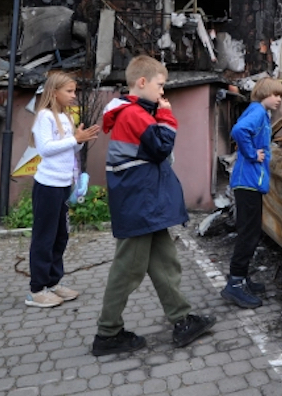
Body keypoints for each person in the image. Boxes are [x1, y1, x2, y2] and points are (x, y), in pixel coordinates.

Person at [92, 55, 215, 356]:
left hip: (146, 204)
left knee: (165, 263)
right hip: (140, 205)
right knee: (127, 270)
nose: (163, 92)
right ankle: (108, 333)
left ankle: (182, 319)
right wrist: (167, 117)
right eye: (160, 85)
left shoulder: (135, 112)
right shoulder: (134, 114)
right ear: (142, 82)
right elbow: (161, 148)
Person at [26, 72, 100, 308]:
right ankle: (37, 290)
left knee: (60, 236)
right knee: (44, 237)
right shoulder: (45, 117)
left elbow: (69, 150)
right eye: (69, 91)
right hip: (47, 186)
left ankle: (53, 282)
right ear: (54, 92)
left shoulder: (66, 117)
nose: (73, 95)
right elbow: (46, 149)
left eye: (74, 91)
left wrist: (80, 140)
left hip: (63, 186)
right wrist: (75, 139)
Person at [221, 77, 282, 309]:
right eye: (275, 95)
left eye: (281, 96)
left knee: (251, 232)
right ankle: (235, 284)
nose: (279, 99)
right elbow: (239, 131)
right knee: (249, 233)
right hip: (247, 182)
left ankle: (241, 277)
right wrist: (251, 154)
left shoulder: (260, 113)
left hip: (249, 182)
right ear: (264, 94)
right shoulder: (257, 111)